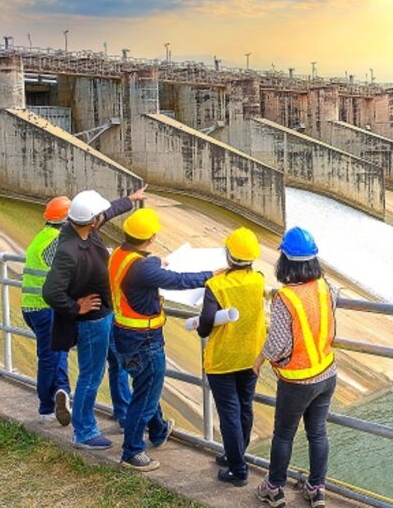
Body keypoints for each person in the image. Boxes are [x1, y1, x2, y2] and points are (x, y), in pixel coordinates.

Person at [109, 208, 213, 471]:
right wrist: (212, 275)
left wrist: (155, 261)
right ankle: (132, 452)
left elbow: (150, 265)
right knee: (145, 395)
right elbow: (179, 281)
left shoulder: (120, 256)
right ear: (152, 237)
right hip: (145, 339)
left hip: (124, 333)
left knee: (144, 385)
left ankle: (158, 430)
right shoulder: (142, 268)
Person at [42, 185, 146, 450]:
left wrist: (129, 200)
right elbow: (51, 292)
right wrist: (77, 307)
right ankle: (84, 431)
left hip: (105, 315)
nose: (103, 216)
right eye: (98, 215)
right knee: (91, 374)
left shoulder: (84, 230)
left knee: (118, 363)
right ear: (90, 220)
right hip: (92, 322)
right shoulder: (69, 250)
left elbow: (107, 211)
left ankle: (123, 413)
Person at [254, 227, 337, 508]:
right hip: (327, 373)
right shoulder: (327, 288)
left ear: (285, 261)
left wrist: (260, 358)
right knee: (317, 433)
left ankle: (274, 488)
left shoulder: (286, 298)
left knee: (284, 435)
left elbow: (277, 344)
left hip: (298, 380)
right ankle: (316, 488)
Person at [187, 227, 266, 486]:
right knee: (245, 406)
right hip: (251, 356)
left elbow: (207, 321)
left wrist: (200, 328)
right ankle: (236, 454)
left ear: (228, 255)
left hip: (223, 359)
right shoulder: (259, 280)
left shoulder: (216, 285)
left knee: (229, 412)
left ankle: (237, 469)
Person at [21, 196, 73, 425]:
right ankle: (45, 407)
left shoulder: (41, 236)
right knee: (49, 357)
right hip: (45, 309)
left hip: (31, 306)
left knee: (58, 350)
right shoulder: (57, 242)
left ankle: (62, 391)